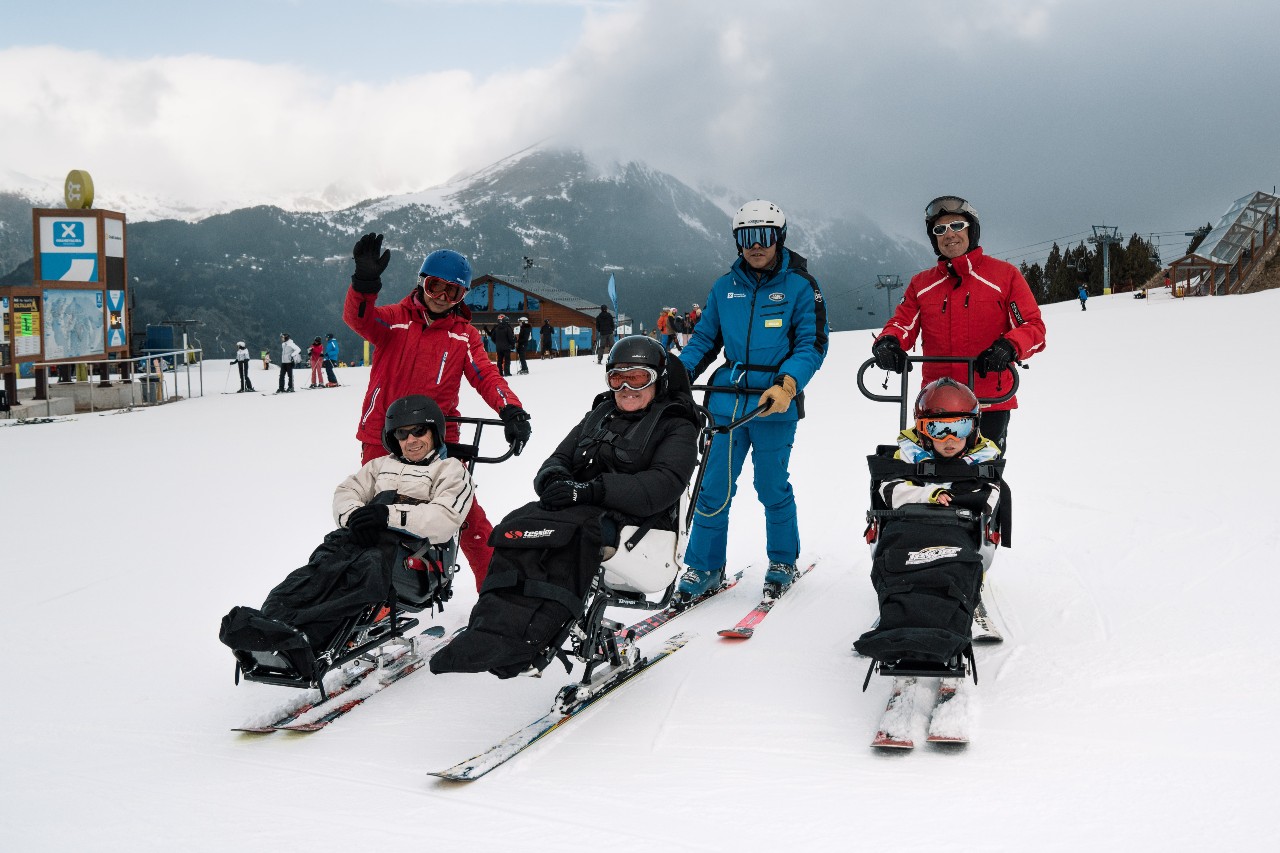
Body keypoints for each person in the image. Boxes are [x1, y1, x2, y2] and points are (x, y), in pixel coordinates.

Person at [431, 336, 699, 678]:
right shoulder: (601, 413)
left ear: (658, 381)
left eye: (639, 378)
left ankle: (528, 639)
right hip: (584, 507)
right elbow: (557, 459)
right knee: (516, 526)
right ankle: (489, 628)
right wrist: (556, 481)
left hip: (638, 524)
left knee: (564, 538)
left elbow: (661, 486)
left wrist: (588, 490)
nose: (627, 388)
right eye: (618, 378)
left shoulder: (676, 424)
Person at [219, 394, 473, 666]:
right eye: (402, 433)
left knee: (359, 573)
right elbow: (346, 492)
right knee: (318, 569)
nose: (411, 440)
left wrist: (386, 515)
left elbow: (444, 519)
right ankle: (271, 626)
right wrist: (357, 519)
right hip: (366, 544)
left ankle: (309, 641)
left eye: (419, 431)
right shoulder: (380, 466)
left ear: (434, 431)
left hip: (418, 561)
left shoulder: (450, 471)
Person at [343, 234, 532, 591]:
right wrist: (364, 284)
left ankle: (495, 591)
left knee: (466, 515)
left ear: (462, 297)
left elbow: (485, 375)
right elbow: (361, 319)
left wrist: (511, 411)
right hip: (383, 438)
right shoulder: (395, 321)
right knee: (376, 515)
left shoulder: (463, 336)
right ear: (422, 283)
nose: (442, 298)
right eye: (435, 287)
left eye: (453, 292)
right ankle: (377, 595)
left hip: (438, 446)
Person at [677, 199, 829, 599]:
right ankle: (704, 567)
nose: (755, 246)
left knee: (771, 484)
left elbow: (812, 344)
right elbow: (705, 341)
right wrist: (676, 375)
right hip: (727, 400)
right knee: (714, 488)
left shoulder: (799, 287)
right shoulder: (725, 287)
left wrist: (788, 383)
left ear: (779, 238)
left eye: (763, 237)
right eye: (746, 237)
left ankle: (782, 559)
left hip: (773, 403)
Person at [871, 195, 1046, 452]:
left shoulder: (1004, 276)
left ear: (971, 230)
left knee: (984, 475)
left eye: (957, 226)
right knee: (930, 477)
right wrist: (888, 342)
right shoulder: (922, 284)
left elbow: (1033, 327)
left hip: (988, 400)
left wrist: (1009, 346)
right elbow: (902, 324)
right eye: (939, 229)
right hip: (936, 403)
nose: (949, 234)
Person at [853, 378, 1005, 666]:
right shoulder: (906, 458)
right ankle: (898, 610)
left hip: (960, 532)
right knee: (898, 553)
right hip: (907, 528)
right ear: (922, 431)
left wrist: (957, 499)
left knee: (955, 560)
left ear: (973, 428)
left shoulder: (984, 461)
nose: (949, 439)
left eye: (958, 428)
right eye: (938, 429)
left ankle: (953, 608)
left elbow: (988, 498)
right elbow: (890, 491)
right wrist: (929, 494)